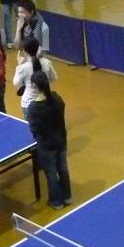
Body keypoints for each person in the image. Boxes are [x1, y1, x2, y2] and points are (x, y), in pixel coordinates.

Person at [26, 70, 72, 209]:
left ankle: (56, 202)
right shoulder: (57, 98)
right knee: (63, 168)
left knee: (51, 173)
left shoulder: (33, 108)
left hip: (46, 145)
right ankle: (67, 197)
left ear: (34, 86)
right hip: (61, 140)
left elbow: (34, 129)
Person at [13, 37, 58, 119]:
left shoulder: (23, 68)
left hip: (28, 104)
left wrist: (19, 65)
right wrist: (43, 84)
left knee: (32, 126)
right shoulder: (46, 62)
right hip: (45, 100)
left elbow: (16, 83)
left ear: (25, 51)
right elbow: (54, 78)